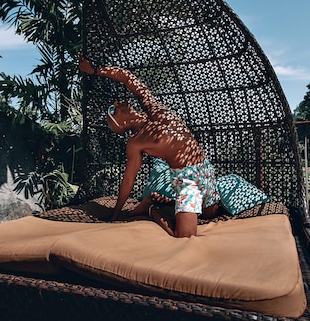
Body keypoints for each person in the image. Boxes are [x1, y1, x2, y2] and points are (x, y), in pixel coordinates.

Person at [79, 54, 221, 237]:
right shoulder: (135, 143)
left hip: (204, 168)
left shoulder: (151, 106)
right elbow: (129, 180)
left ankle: (159, 198)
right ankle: (152, 210)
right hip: (186, 180)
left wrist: (96, 71)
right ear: (121, 125)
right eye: (112, 110)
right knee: (186, 236)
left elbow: (128, 78)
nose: (114, 103)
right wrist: (115, 214)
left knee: (211, 213)